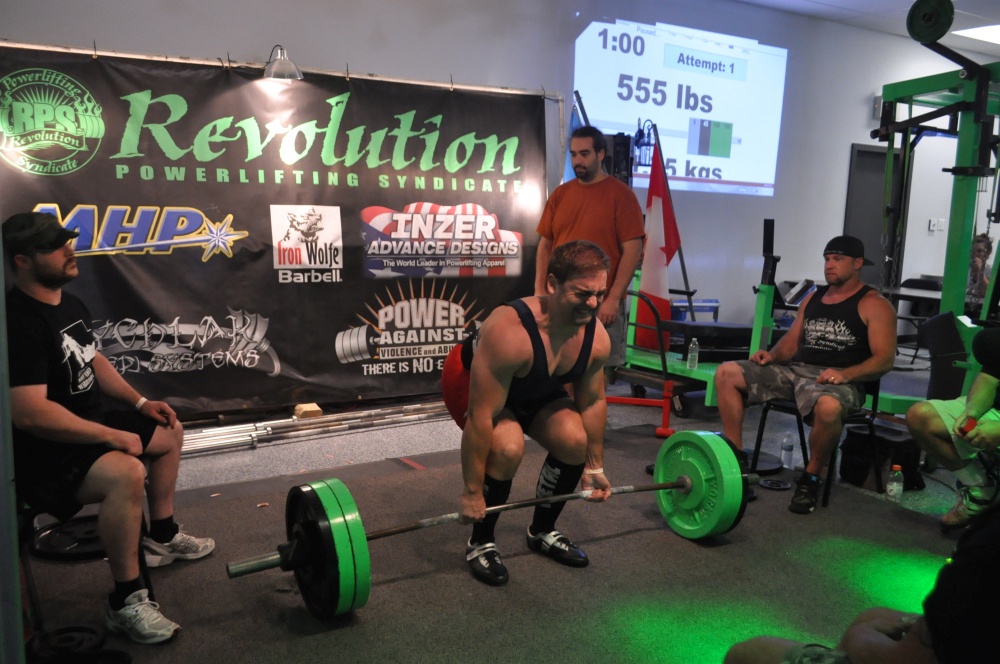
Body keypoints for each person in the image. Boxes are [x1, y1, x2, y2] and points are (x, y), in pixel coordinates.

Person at [3, 212, 215, 644]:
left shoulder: (69, 304)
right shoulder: (17, 322)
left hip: (89, 422)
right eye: (55, 247)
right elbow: (29, 413)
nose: (70, 251)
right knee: (126, 473)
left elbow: (92, 358)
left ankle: (162, 537)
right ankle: (125, 601)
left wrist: (140, 403)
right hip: (45, 449)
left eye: (68, 241)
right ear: (22, 260)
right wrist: (109, 436)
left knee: (169, 429)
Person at [441, 240, 613, 586]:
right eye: (582, 294)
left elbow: (593, 401)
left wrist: (594, 466)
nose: (593, 304)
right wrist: (472, 492)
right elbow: (482, 417)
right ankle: (481, 541)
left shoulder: (596, 339)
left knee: (574, 440)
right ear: (552, 284)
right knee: (507, 446)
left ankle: (542, 531)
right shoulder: (509, 331)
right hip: (470, 380)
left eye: (600, 294)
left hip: (533, 383)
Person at [713, 236, 897, 514]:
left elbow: (884, 359)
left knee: (829, 407)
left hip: (840, 381)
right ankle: (737, 465)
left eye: (838, 259)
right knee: (727, 373)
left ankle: (812, 477)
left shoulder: (875, 304)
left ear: (857, 263)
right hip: (796, 373)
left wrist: (846, 374)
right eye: (827, 259)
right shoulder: (813, 298)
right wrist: (772, 355)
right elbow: (792, 342)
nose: (829, 265)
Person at [724, 501, 1000, 663]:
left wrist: (861, 636)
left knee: (746, 653)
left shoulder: (987, 546)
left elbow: (908, 660)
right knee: (873, 614)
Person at [534, 125, 645, 372]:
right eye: (573, 154)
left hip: (600, 301)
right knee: (556, 366)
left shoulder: (621, 196)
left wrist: (613, 298)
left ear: (601, 154)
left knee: (597, 370)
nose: (577, 161)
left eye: (584, 154)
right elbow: (545, 246)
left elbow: (633, 251)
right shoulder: (560, 194)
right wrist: (540, 288)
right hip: (561, 299)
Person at [905, 326, 1000, 530]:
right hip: (995, 411)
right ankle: (980, 489)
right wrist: (971, 414)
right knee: (921, 417)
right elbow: (990, 378)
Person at [965, 232, 993, 317]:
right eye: (973, 251)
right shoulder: (963, 270)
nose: (975, 254)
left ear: (988, 253)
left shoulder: (990, 271)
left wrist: (980, 270)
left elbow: (988, 292)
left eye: (980, 251)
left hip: (982, 310)